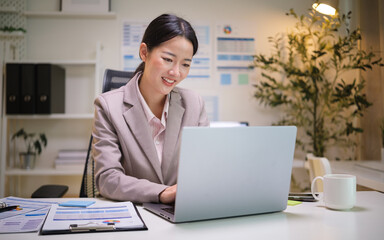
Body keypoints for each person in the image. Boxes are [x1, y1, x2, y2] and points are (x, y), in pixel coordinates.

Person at [92, 14, 209, 204]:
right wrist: (162, 193)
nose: (176, 73)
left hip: (181, 216)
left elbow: (205, 167)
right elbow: (107, 179)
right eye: (168, 59)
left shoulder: (194, 104)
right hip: (134, 217)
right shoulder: (108, 106)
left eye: (185, 64)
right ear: (144, 52)